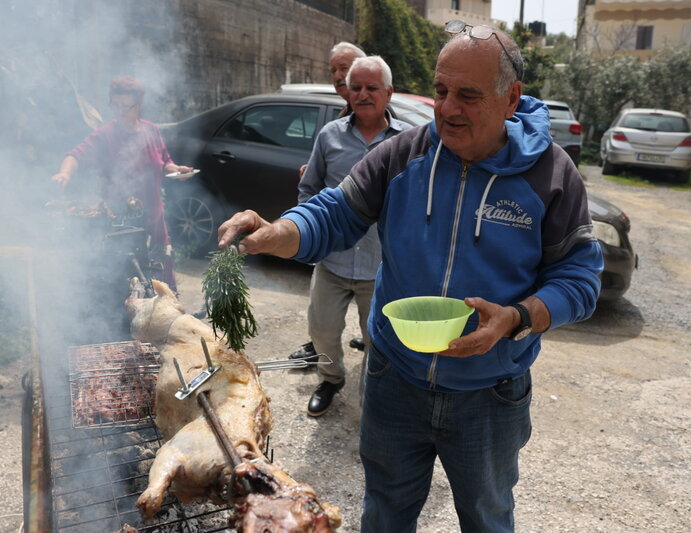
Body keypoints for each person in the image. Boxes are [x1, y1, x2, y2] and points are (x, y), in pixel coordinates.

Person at [218, 21, 603, 532]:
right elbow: (334, 213)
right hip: (394, 378)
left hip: (489, 392)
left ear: (511, 99)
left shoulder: (551, 174)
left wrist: (515, 318)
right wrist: (278, 231)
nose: (446, 108)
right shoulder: (406, 153)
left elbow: (580, 279)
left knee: (488, 518)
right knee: (384, 514)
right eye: (441, 91)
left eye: (467, 95)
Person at [296, 56, 410, 417]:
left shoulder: (406, 142)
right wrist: (311, 236)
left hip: (380, 265)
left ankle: (372, 395)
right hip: (332, 260)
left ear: (388, 93)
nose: (362, 94)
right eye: (356, 87)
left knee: (378, 339)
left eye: (371, 88)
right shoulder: (330, 136)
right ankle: (331, 379)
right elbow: (309, 188)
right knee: (323, 330)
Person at [52, 75, 194, 293]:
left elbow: (165, 160)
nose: (120, 110)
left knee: (161, 286)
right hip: (121, 228)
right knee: (128, 287)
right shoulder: (105, 135)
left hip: (155, 223)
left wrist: (176, 170)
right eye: (115, 105)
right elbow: (76, 155)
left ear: (139, 105)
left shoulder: (151, 130)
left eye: (125, 106)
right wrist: (64, 173)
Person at [290, 41, 367, 363]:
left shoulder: (393, 131)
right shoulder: (336, 124)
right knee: (323, 322)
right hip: (335, 247)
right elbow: (315, 186)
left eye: (344, 68)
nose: (338, 76)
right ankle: (321, 352)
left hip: (373, 252)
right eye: (333, 69)